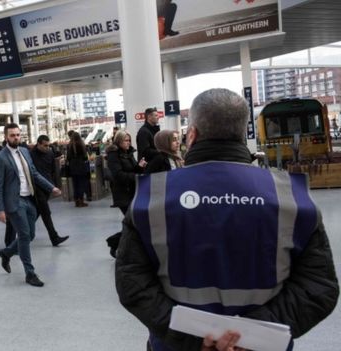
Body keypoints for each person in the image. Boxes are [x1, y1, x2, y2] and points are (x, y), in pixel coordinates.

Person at [115, 89, 339, 351]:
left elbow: (133, 283)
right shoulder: (291, 197)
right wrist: (248, 335)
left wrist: (195, 339)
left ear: (192, 134)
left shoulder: (152, 198)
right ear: (244, 133)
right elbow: (318, 287)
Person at [0, 123, 61, 287]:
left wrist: (51, 187)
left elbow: (34, 174)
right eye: (12, 135)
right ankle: (30, 273)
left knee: (30, 235)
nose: (16, 137)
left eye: (18, 134)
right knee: (24, 235)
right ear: (6, 137)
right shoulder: (0, 158)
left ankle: (6, 252)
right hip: (14, 203)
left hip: (29, 199)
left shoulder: (25, 152)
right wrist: (0, 209)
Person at [105, 131, 147, 258]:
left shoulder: (128, 153)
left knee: (133, 223)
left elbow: (132, 170)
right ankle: (114, 242)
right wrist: (137, 176)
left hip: (131, 192)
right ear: (118, 141)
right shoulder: (113, 155)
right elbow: (118, 175)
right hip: (122, 194)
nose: (128, 143)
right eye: (125, 140)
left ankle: (115, 243)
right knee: (133, 223)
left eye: (129, 140)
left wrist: (139, 167)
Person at [30, 135, 69, 247]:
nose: (47, 147)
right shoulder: (30, 155)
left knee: (38, 212)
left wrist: (54, 186)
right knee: (46, 213)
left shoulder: (50, 154)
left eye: (48, 145)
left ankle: (23, 230)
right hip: (37, 188)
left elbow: (53, 170)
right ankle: (54, 237)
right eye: (45, 145)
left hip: (47, 187)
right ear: (38, 144)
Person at [66, 131, 91, 207]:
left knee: (75, 184)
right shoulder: (81, 144)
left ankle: (76, 201)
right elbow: (85, 157)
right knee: (81, 184)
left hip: (72, 167)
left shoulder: (69, 145)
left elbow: (68, 157)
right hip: (81, 167)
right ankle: (81, 201)